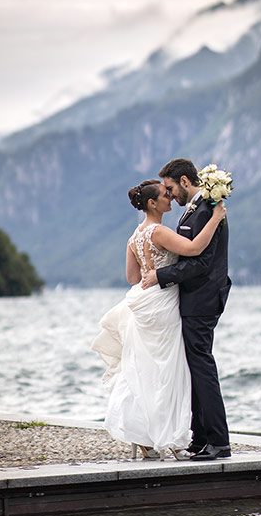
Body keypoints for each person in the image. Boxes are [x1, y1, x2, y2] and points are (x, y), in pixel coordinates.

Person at [91, 178, 226, 458]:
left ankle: (145, 437)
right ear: (152, 203)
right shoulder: (158, 232)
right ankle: (173, 438)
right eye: (165, 195)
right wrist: (215, 218)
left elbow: (131, 277)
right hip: (163, 304)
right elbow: (193, 250)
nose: (170, 197)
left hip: (143, 302)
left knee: (144, 370)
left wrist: (150, 269)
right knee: (169, 370)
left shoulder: (134, 236)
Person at [141, 157, 232, 460]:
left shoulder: (207, 209)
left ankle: (219, 441)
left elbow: (202, 262)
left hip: (203, 300)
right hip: (194, 299)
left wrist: (161, 276)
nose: (168, 194)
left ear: (183, 181)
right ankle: (201, 438)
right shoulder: (198, 209)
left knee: (202, 368)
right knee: (195, 369)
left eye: (169, 187)